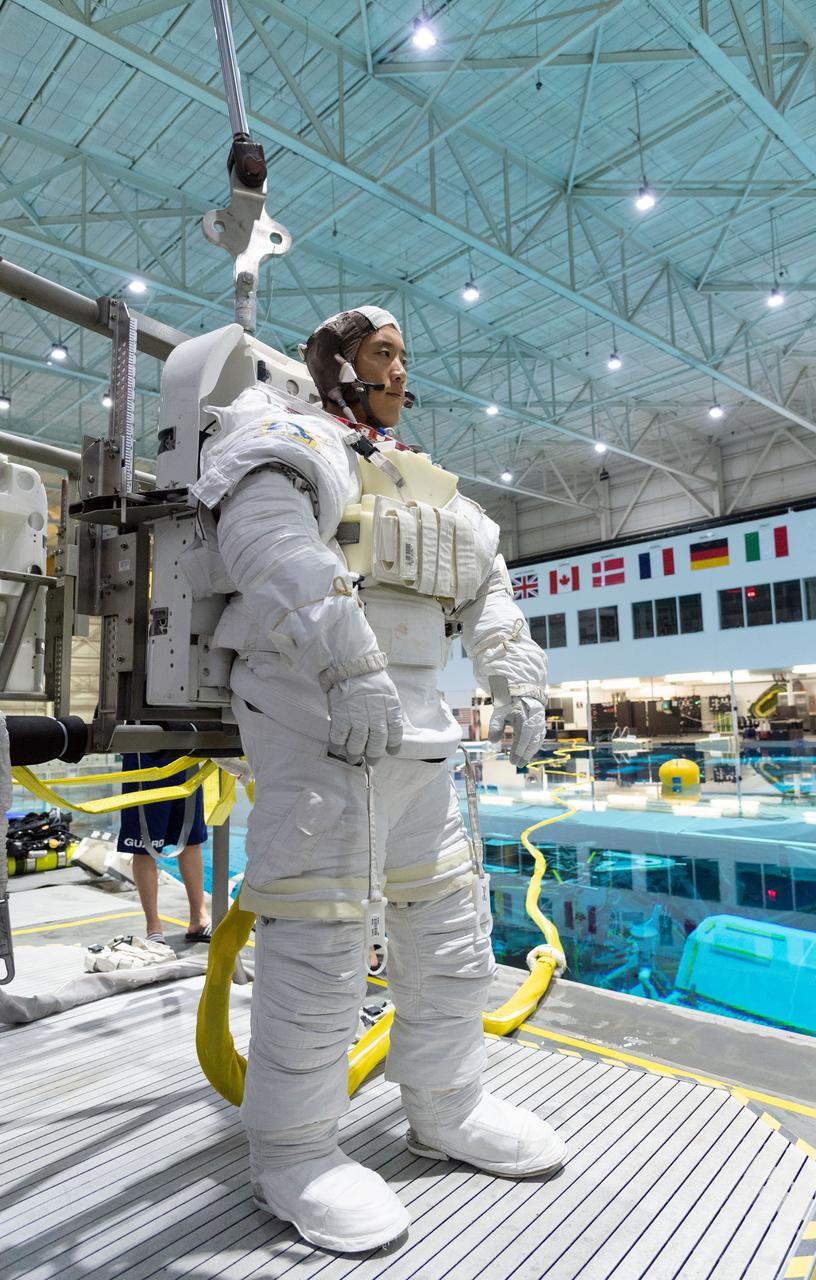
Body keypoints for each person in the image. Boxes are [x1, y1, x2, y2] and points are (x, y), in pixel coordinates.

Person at [190, 306, 562, 1253]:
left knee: (446, 927)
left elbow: (488, 588)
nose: (400, 369)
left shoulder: (430, 486)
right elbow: (272, 546)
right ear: (336, 364)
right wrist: (347, 664)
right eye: (384, 353)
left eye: (403, 354)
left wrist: (514, 678)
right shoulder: (282, 439)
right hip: (312, 707)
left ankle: (447, 1104)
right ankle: (295, 1151)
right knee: (321, 940)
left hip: (420, 726)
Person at [116, 751, 212, 944]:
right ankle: (153, 927)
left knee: (191, 839)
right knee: (144, 846)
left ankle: (199, 919)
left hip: (187, 754)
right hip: (145, 755)